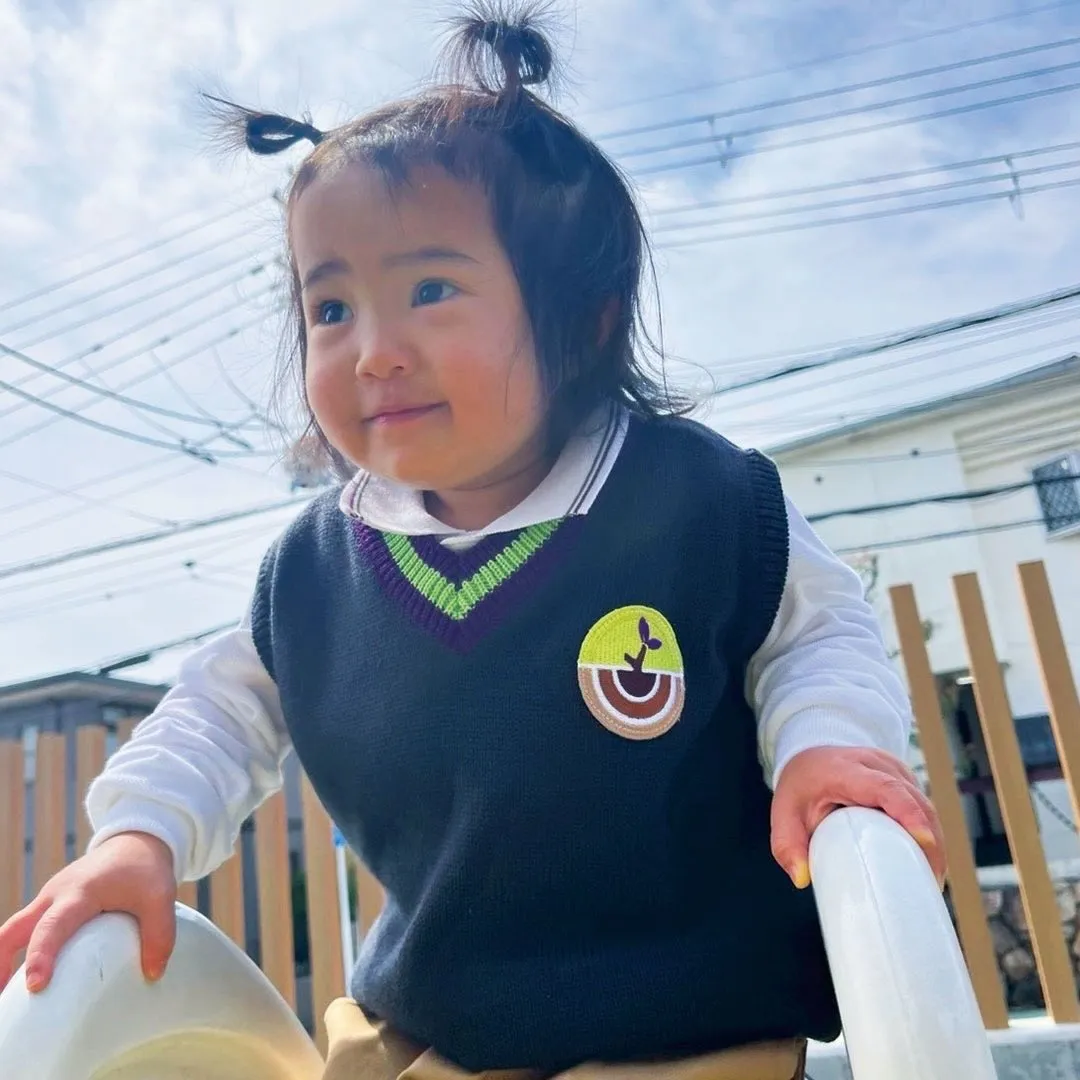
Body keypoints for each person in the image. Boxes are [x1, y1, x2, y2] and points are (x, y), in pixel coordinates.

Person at [0, 7, 945, 1079]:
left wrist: (825, 745)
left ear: (584, 319)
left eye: (430, 291)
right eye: (330, 308)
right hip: (431, 1022)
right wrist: (140, 838)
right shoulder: (316, 572)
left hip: (687, 1030)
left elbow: (814, 635)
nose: (373, 351)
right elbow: (216, 714)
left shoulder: (697, 502)